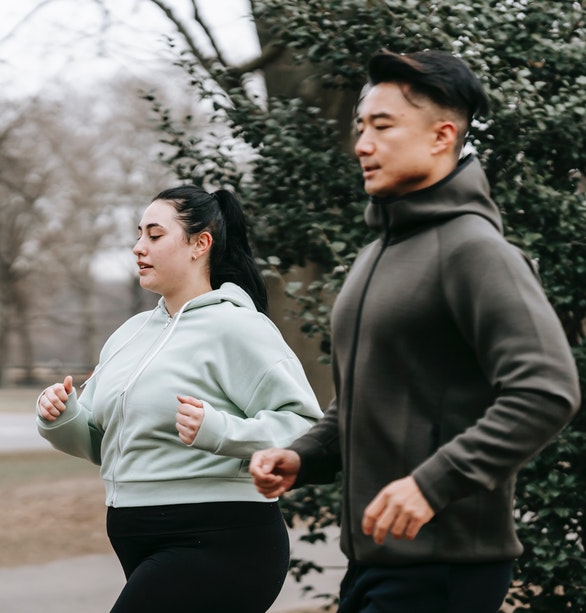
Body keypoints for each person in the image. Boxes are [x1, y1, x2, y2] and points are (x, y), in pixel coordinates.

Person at [250, 49, 581, 612]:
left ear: (440, 136)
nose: (362, 145)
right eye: (360, 128)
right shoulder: (373, 257)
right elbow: (365, 399)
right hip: (376, 563)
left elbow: (547, 391)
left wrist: (434, 483)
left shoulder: (476, 252)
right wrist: (304, 456)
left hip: (445, 566)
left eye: (383, 126)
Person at [36, 185, 323, 613]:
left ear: (199, 244)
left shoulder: (238, 327)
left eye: (154, 235)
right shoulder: (129, 335)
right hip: (135, 534)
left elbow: (305, 426)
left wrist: (219, 431)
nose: (138, 248)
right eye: (138, 235)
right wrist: (61, 418)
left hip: (223, 538)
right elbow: (104, 444)